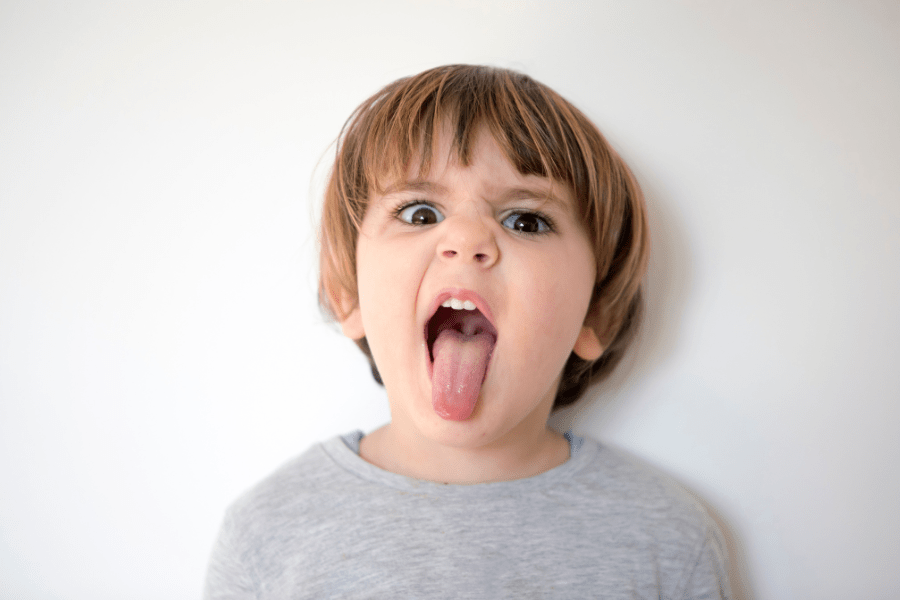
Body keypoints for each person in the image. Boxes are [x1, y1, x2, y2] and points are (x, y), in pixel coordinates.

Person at [204, 64, 731, 599]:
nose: (465, 239)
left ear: (595, 314)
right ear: (349, 294)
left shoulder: (665, 539)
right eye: (419, 212)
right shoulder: (268, 535)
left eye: (526, 220)